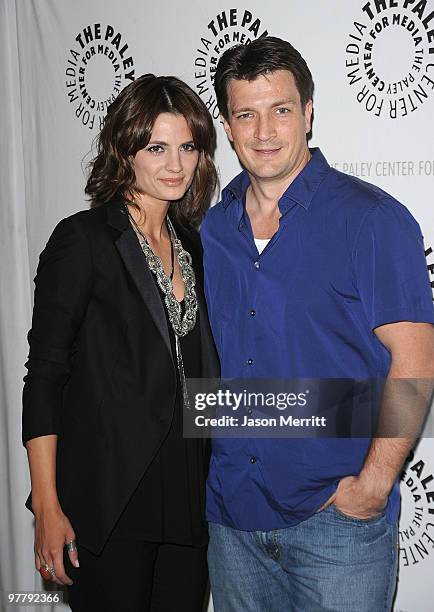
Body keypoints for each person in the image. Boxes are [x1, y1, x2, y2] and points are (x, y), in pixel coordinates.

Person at [200, 37, 434, 611]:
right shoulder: (213, 231)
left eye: (280, 109)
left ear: (307, 112)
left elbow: (418, 360)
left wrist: (375, 483)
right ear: (228, 127)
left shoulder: (371, 220)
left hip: (337, 525)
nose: (263, 132)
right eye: (245, 114)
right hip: (232, 524)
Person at [22, 73, 219, 612]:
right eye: (157, 147)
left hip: (188, 500)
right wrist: (46, 504)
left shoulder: (197, 248)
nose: (176, 165)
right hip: (110, 503)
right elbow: (44, 377)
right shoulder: (82, 240)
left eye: (188, 147)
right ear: (125, 149)